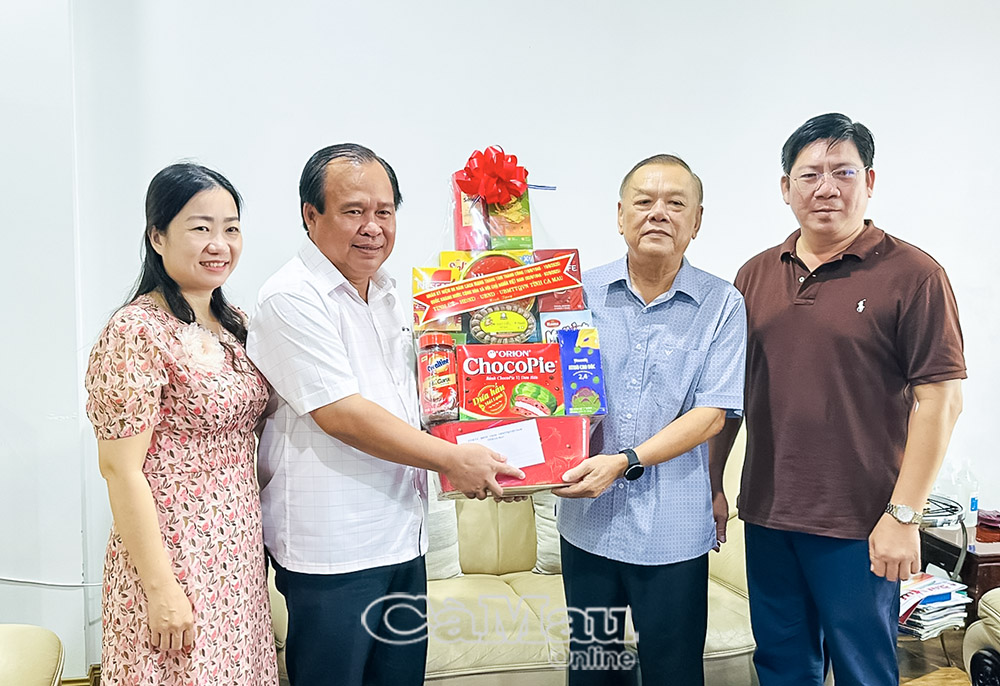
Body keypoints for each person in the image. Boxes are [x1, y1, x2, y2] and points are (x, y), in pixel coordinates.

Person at [246, 143, 524, 686]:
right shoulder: (290, 296)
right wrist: (454, 459)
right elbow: (341, 414)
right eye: (353, 211)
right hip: (334, 546)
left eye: (384, 211)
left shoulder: (394, 294)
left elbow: (424, 400)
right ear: (311, 216)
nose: (372, 227)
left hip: (402, 535)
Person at [711, 113, 966, 686]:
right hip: (769, 513)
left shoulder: (915, 274)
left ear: (869, 181)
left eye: (843, 172)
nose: (825, 188)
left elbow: (941, 402)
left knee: (863, 671)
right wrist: (713, 485)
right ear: (786, 188)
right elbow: (728, 397)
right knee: (781, 666)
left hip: (860, 522)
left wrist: (904, 516)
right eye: (809, 175)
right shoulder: (754, 275)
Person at [556, 154, 747, 686]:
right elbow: (548, 393)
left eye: (675, 203)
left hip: (674, 528)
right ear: (620, 216)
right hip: (587, 522)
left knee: (673, 669)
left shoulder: (723, 304)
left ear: (697, 220)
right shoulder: (577, 294)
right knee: (592, 665)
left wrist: (625, 461)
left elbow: (711, 415)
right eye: (644, 201)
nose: (658, 213)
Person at [85, 163, 278, 685]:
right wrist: (160, 587)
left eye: (231, 228)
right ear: (157, 236)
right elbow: (119, 470)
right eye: (200, 227)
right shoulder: (135, 331)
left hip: (236, 556)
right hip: (173, 555)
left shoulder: (237, 323)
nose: (219, 244)